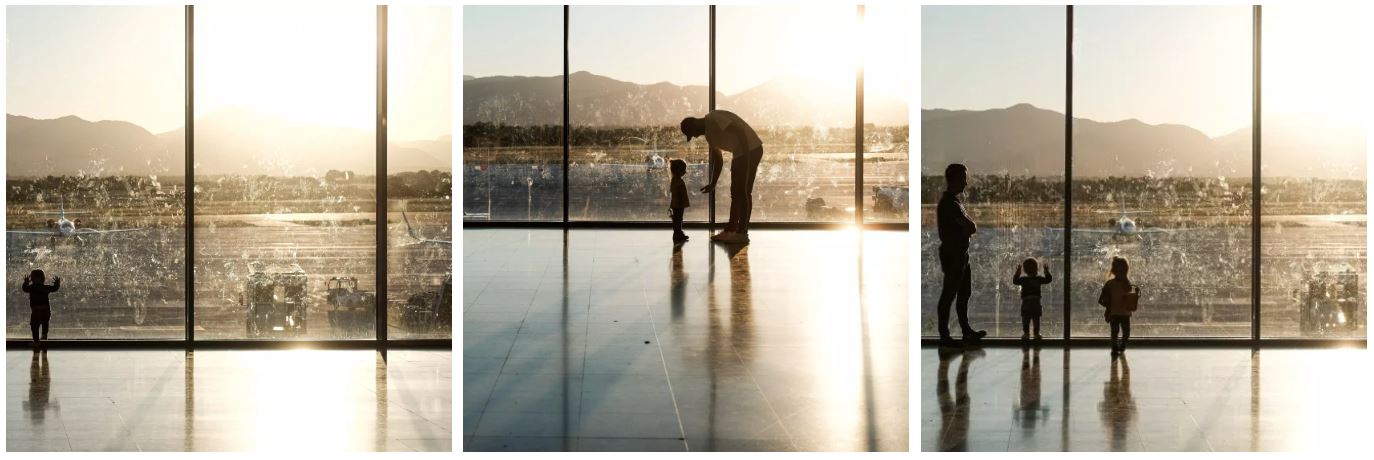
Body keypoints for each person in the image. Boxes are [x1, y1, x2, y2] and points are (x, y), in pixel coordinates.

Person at [680, 110, 764, 244]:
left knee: (743, 191)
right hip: (740, 153)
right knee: (735, 192)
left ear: (694, 124)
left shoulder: (713, 118)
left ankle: (742, 233)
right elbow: (718, 160)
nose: (695, 136)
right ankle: (732, 230)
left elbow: (740, 130)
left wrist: (746, 157)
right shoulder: (709, 136)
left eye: (692, 133)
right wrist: (713, 183)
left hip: (751, 149)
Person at [935, 163, 986, 346]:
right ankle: (945, 335)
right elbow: (971, 227)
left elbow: (968, 227)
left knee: (963, 293)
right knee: (950, 294)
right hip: (954, 256)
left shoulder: (954, 202)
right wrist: (967, 229)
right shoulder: (951, 204)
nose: (966, 183)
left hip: (959, 255)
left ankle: (964, 331)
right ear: (955, 179)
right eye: (963, 179)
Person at [1097, 257, 1139, 356]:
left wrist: (1108, 306)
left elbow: (1101, 299)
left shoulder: (1111, 283)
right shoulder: (1124, 283)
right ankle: (1118, 347)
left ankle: (1116, 347)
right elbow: (1130, 295)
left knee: (1116, 332)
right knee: (1123, 332)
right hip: (1122, 313)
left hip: (1116, 312)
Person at [1013, 258, 1053, 340]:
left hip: (1026, 302)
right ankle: (1036, 334)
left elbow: (1015, 281)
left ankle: (1026, 333)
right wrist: (1046, 271)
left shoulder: (1023, 280)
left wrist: (1017, 273)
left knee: (1025, 319)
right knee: (1036, 319)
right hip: (1036, 302)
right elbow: (1048, 280)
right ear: (1037, 268)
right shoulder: (1038, 279)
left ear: (1024, 270)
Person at [21, 269, 61, 347]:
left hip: (36, 310)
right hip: (46, 310)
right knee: (45, 323)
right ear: (43, 279)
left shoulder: (31, 288)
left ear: (31, 279)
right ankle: (44, 336)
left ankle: (36, 342)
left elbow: (24, 289)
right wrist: (57, 283)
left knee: (34, 326)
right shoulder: (45, 287)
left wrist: (26, 282)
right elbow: (54, 288)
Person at [668, 158, 690, 242]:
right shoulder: (678, 181)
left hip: (676, 203)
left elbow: (673, 192)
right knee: (678, 219)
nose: (685, 172)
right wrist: (682, 202)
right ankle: (678, 233)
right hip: (679, 204)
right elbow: (679, 193)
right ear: (679, 171)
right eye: (684, 170)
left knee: (676, 219)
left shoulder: (674, 180)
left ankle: (677, 233)